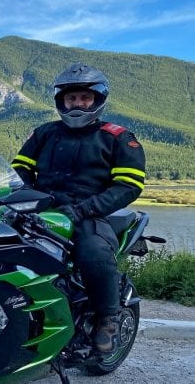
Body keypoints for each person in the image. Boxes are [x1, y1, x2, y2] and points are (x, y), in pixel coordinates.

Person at [10, 63, 146, 353]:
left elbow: (128, 186)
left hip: (91, 214)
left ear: (97, 99)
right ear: (62, 101)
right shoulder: (45, 133)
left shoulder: (118, 137)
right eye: (72, 98)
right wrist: (20, 196)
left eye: (84, 98)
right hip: (42, 209)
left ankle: (106, 319)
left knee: (93, 252)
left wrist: (83, 210)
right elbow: (18, 171)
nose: (77, 103)